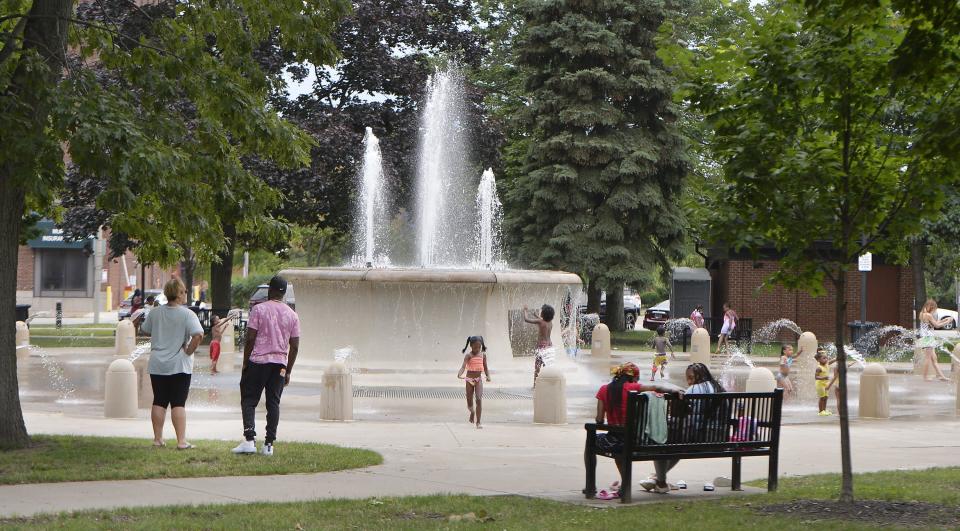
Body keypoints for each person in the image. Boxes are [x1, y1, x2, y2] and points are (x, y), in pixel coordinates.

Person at [590, 362, 684, 498]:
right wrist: (675, 390)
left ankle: (592, 486)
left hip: (615, 441)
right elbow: (656, 387)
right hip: (636, 440)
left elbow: (599, 420)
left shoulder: (603, 389)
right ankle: (625, 483)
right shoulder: (632, 387)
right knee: (620, 446)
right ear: (633, 378)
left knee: (591, 442)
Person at [232, 275, 300, 456]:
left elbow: (250, 338)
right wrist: (288, 371)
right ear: (284, 293)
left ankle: (249, 439)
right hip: (279, 364)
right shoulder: (292, 315)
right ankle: (269, 444)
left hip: (258, 361)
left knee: (249, 399)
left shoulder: (258, 310)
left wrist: (246, 362)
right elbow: (295, 346)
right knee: (273, 403)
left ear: (270, 290)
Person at [639, 362, 725, 494]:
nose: (689, 382)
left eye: (691, 378)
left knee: (659, 441)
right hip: (719, 438)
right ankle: (657, 478)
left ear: (700, 376)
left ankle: (661, 483)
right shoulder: (719, 388)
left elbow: (681, 415)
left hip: (698, 438)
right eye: (688, 378)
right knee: (677, 444)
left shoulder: (693, 390)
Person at [140, 278, 204, 449]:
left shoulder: (155, 313)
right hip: (179, 365)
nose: (186, 294)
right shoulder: (187, 314)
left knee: (159, 400)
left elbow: (145, 330)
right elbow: (198, 335)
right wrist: (189, 351)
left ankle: (157, 439)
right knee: (178, 402)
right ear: (178, 294)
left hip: (157, 364)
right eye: (183, 291)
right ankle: (181, 441)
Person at [456, 336, 491, 429]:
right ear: (471, 346)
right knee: (469, 402)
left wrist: (488, 376)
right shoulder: (469, 356)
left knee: (479, 399)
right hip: (469, 380)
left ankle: (478, 422)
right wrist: (459, 374)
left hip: (478, 380)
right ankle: (472, 412)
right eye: (475, 347)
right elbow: (463, 366)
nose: (477, 349)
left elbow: (486, 368)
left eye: (479, 347)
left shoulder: (483, 355)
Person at [918, 299, 950, 382]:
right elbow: (937, 325)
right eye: (934, 308)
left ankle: (941, 376)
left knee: (934, 359)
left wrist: (943, 320)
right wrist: (947, 322)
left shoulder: (922, 314)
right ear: (930, 307)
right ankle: (925, 377)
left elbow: (932, 324)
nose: (934, 311)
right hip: (928, 338)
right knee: (928, 359)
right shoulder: (928, 315)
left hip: (925, 338)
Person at [523, 304, 554, 387]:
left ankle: (535, 385)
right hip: (549, 346)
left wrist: (525, 310)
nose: (541, 312)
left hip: (541, 347)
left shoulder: (540, 322)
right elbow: (542, 320)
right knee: (547, 366)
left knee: (537, 367)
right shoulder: (550, 322)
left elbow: (526, 319)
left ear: (543, 314)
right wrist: (536, 315)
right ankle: (549, 384)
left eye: (542, 311)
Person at [814, 350, 833, 416]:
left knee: (826, 397)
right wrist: (823, 378)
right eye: (824, 358)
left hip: (826, 384)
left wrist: (836, 358)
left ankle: (824, 410)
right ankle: (820, 411)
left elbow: (831, 361)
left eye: (826, 358)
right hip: (820, 384)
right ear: (819, 360)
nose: (826, 359)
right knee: (822, 398)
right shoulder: (819, 368)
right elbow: (816, 377)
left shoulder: (826, 365)